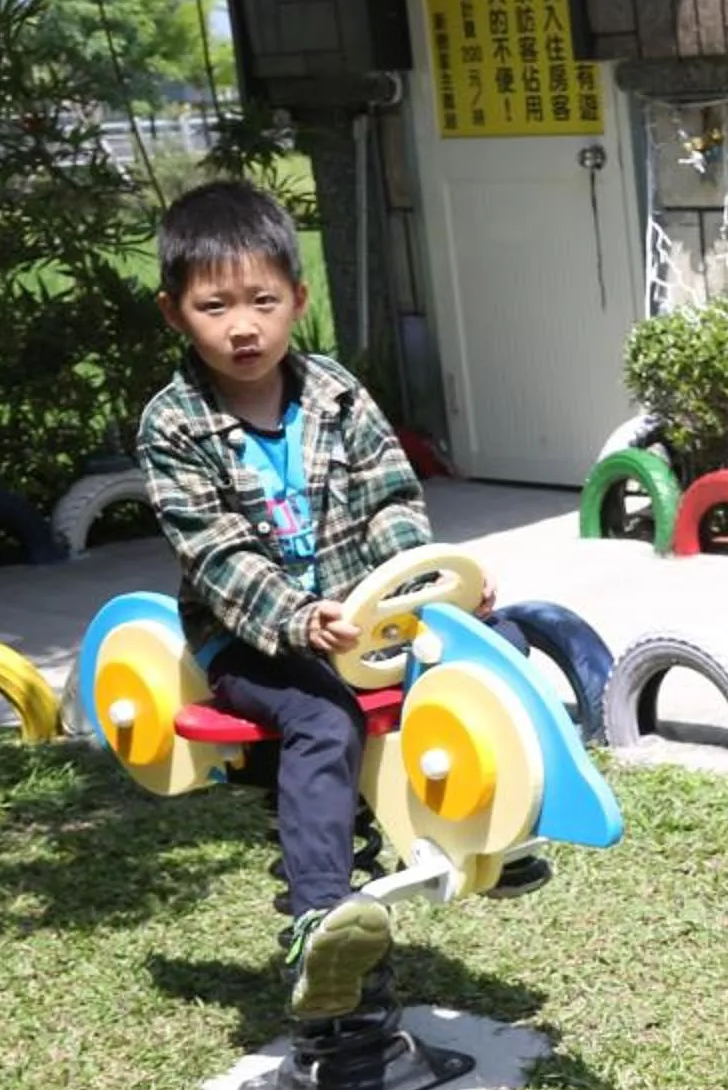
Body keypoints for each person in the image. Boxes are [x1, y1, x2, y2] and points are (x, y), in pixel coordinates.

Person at [138, 179, 520, 1023]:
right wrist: (296, 618)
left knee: (493, 648)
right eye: (214, 306)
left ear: (297, 300)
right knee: (324, 721)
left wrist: (432, 581)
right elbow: (216, 553)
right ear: (175, 314)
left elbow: (391, 503)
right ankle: (318, 915)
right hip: (250, 643)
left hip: (361, 620)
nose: (243, 325)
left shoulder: (337, 395)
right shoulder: (173, 425)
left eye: (263, 301)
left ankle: (497, 827)